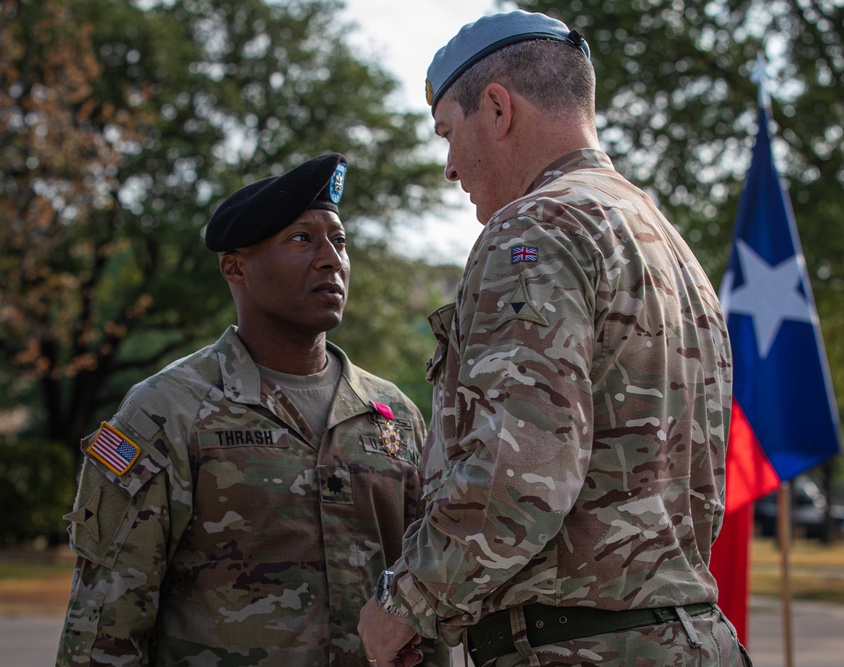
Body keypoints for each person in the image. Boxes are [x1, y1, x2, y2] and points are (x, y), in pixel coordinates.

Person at [358, 10, 750, 667]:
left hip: (576, 645)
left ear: (498, 107)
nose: (450, 168)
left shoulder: (534, 229)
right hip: (687, 639)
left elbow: (520, 471)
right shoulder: (667, 244)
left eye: (449, 134)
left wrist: (403, 604)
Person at [55, 153, 445, 666]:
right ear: (235, 266)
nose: (331, 259)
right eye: (302, 239)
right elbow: (106, 625)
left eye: (339, 241)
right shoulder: (168, 411)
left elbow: (423, 600)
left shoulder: (393, 414)